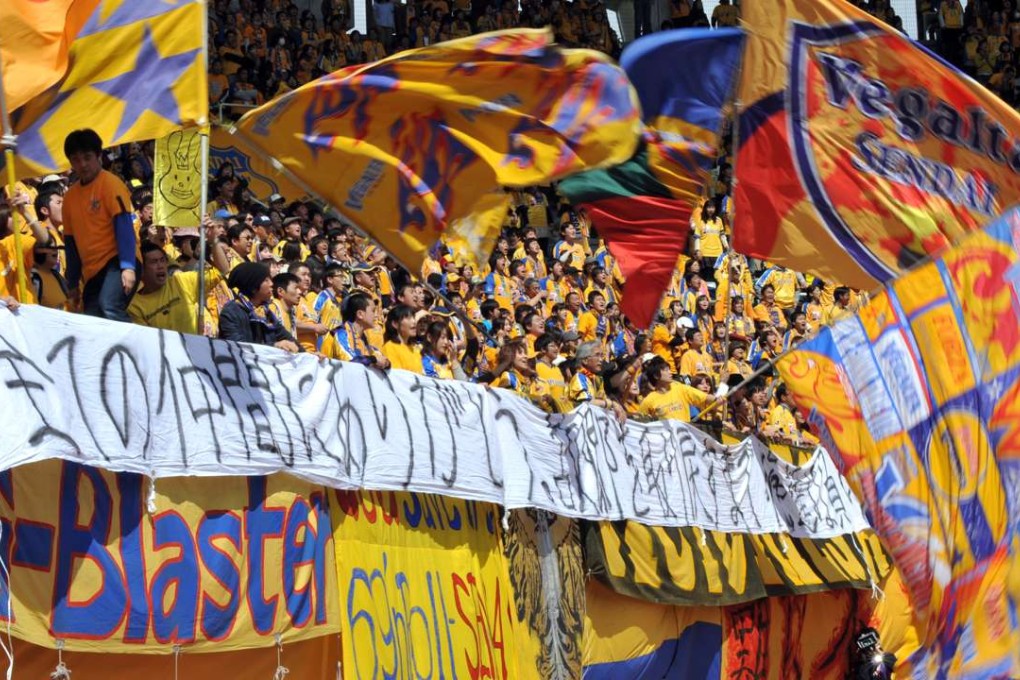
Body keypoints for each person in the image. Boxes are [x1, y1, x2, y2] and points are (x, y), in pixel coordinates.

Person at [62, 129, 137, 321]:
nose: (83, 164)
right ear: (71, 163)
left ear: (99, 156)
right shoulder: (69, 198)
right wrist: (72, 285)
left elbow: (124, 228)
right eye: (76, 160)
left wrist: (128, 266)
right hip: (92, 271)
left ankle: (134, 349)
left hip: (118, 259)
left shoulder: (111, 184)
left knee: (109, 306)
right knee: (93, 319)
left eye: (87, 157)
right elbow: (71, 245)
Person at [128, 219, 230, 334]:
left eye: (162, 260)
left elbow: (223, 270)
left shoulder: (181, 282)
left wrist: (213, 241)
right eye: (154, 262)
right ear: (141, 270)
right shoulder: (135, 306)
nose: (160, 266)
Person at [218, 261, 300, 352]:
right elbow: (238, 347)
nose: (271, 284)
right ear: (253, 287)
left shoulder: (266, 313)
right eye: (266, 280)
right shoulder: (231, 312)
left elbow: (285, 336)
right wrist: (274, 346)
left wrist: (309, 355)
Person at [321, 291, 390, 367]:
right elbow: (351, 361)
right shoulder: (341, 334)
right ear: (360, 314)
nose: (376, 315)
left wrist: (385, 362)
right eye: (373, 311)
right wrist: (374, 360)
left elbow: (384, 360)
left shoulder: (363, 340)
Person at [637, 356, 715, 422]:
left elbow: (705, 398)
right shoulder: (648, 401)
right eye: (666, 370)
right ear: (656, 376)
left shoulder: (681, 389)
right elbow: (640, 424)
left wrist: (717, 399)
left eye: (669, 369)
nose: (670, 372)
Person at [568, 341, 626, 421]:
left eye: (602, 355)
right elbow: (586, 403)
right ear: (585, 360)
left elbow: (603, 399)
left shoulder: (598, 379)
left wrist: (616, 405)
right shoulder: (579, 378)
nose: (601, 360)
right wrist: (612, 404)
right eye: (597, 355)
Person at [382, 304, 423, 373]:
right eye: (408, 318)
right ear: (395, 324)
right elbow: (396, 377)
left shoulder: (414, 348)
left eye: (413, 317)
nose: (414, 322)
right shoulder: (390, 347)